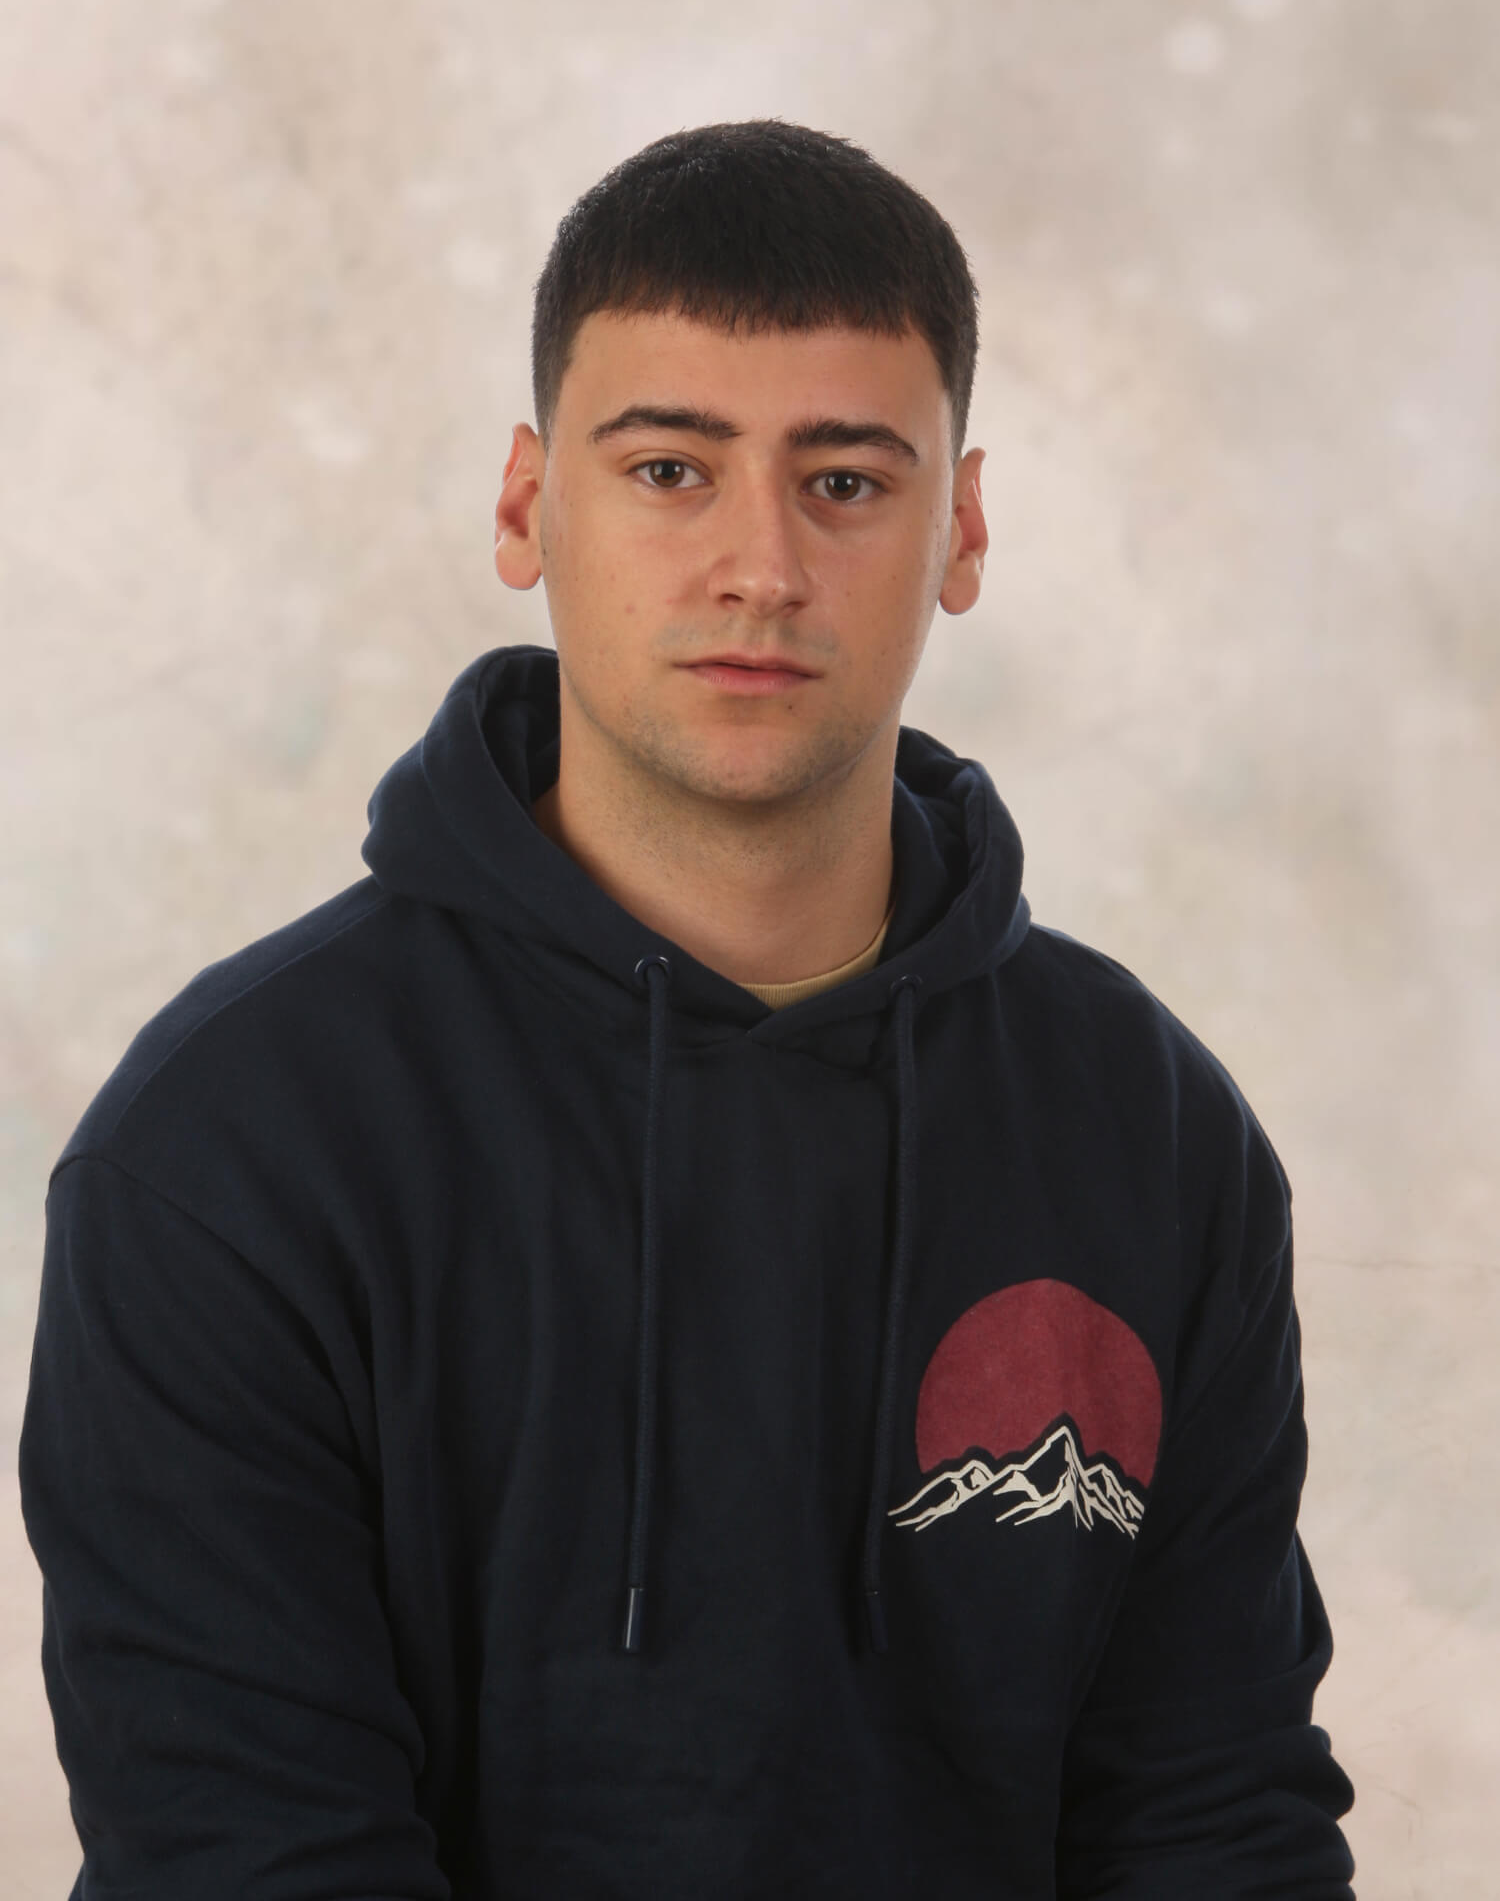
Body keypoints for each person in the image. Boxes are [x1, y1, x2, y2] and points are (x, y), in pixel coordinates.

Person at [20, 118, 1355, 1898]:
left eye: (846, 482)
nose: (762, 568)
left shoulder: (1150, 1133)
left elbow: (1215, 1825)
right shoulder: (234, 1145)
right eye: (669, 469)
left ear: (960, 530)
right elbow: (249, 1859)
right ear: (526, 507)